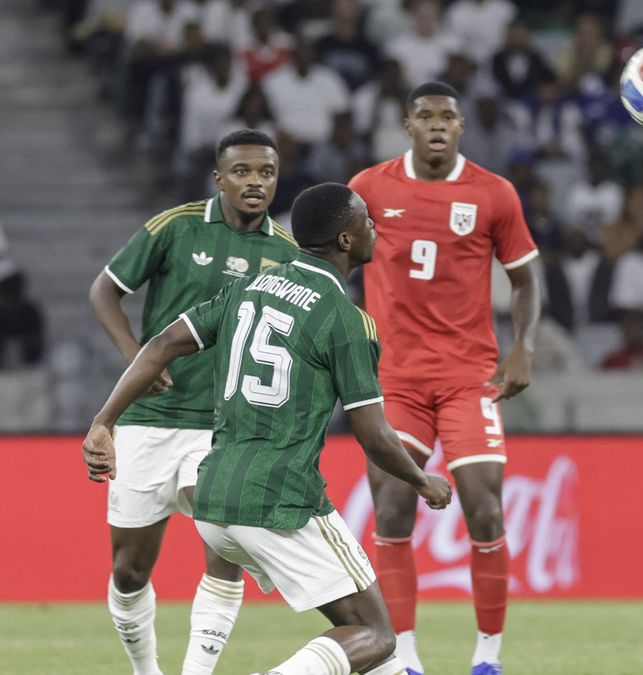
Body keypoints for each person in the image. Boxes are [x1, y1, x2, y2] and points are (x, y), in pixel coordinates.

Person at [82, 182, 453, 675]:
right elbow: (374, 436)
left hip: (214, 498)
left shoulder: (246, 289)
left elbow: (162, 343)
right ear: (346, 240)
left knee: (365, 652)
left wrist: (104, 421)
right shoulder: (346, 319)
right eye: (366, 219)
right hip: (279, 498)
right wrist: (422, 480)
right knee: (378, 636)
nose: (374, 227)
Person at [87, 129, 300, 675]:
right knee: (130, 571)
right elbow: (104, 290)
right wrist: (138, 357)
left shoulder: (287, 253)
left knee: (224, 544)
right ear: (219, 177)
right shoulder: (176, 226)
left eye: (266, 173)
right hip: (149, 422)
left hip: (224, 427)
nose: (255, 182)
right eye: (243, 172)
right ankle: (146, 670)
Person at [348, 81, 541, 675]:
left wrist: (522, 348)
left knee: (485, 509)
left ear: (461, 126)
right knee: (393, 507)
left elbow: (527, 278)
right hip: (395, 380)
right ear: (407, 124)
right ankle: (403, 656)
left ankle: (487, 658)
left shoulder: (493, 193)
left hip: (468, 379)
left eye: (448, 117)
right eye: (426, 116)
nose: (437, 124)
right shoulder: (368, 188)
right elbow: (331, 264)